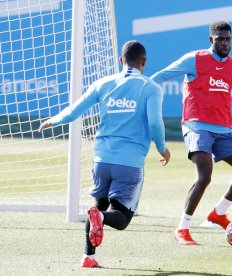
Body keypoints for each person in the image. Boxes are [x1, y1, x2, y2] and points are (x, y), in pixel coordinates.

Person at [38, 40, 171, 267]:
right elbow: (155, 123)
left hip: (101, 160)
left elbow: (74, 111)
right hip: (129, 164)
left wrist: (54, 120)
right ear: (144, 62)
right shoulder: (151, 88)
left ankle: (88, 257)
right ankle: (100, 220)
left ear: (121, 60)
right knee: (120, 218)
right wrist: (162, 148)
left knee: (96, 208)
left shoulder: (103, 83)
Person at [151, 21, 232, 245]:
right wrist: (142, 96)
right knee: (205, 175)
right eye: (220, 39)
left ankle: (218, 213)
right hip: (196, 125)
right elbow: (159, 77)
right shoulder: (194, 59)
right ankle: (182, 228)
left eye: (228, 39)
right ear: (211, 40)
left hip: (224, 129)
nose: (225, 43)